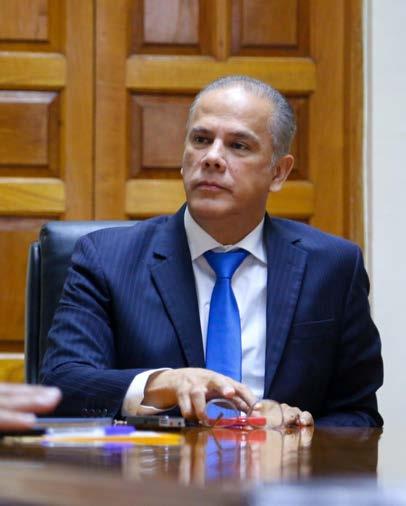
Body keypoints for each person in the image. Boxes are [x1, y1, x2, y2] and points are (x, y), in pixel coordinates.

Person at [40, 75, 383, 427]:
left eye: (238, 145)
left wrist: (298, 432)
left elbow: (359, 414)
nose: (212, 157)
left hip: (279, 463)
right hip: (154, 462)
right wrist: (161, 384)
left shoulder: (333, 267)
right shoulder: (107, 258)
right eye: (201, 140)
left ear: (278, 172)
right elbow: (62, 384)